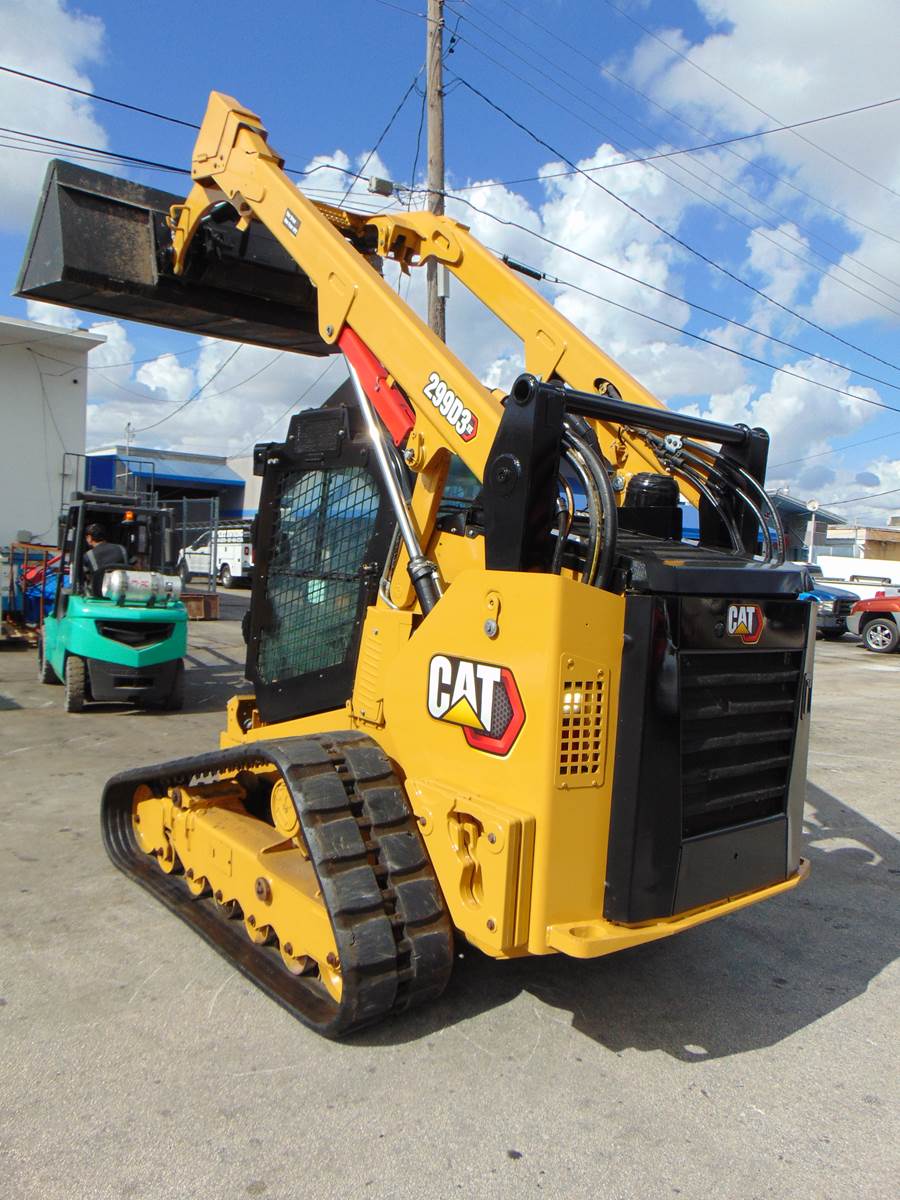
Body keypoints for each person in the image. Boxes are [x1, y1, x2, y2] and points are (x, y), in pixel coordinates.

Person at [84, 523, 128, 597]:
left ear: (89, 538)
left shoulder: (88, 556)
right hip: (122, 593)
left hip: (98, 594)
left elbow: (86, 576)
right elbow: (135, 568)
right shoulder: (122, 549)